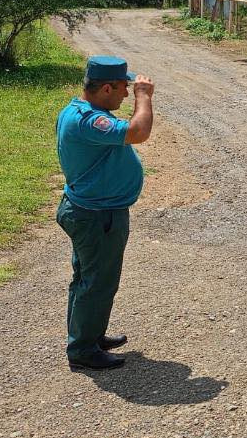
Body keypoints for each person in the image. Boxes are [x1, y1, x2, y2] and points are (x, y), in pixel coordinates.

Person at [55, 56, 153, 370]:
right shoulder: (88, 120)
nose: (126, 95)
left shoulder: (79, 111)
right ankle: (83, 349)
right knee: (97, 281)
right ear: (107, 87)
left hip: (91, 212)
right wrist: (144, 97)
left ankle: (89, 335)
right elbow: (138, 131)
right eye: (124, 88)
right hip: (97, 216)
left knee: (88, 278)